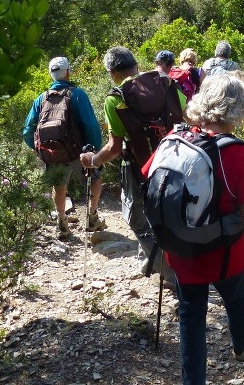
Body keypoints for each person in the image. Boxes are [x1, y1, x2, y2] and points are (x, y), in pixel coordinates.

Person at [141, 71, 244, 385]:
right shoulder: (237, 153)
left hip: (181, 250)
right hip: (224, 254)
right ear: (239, 109)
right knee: (237, 294)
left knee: (191, 316)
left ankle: (193, 381)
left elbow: (148, 178)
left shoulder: (172, 141)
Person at [80, 46, 183, 279]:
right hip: (178, 160)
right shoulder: (164, 82)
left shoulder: (116, 98)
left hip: (141, 168)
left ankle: (170, 274)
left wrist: (92, 160)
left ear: (110, 71)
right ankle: (161, 262)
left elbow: (114, 148)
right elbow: (187, 114)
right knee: (176, 214)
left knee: (138, 220)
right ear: (136, 65)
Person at [24, 56, 104, 240]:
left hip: (52, 152)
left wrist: (38, 149)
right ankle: (92, 217)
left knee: (59, 185)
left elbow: (28, 129)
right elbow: (90, 124)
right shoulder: (78, 94)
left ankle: (62, 223)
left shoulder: (41, 99)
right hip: (79, 151)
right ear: (68, 72)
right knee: (95, 178)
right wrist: (94, 149)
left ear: (51, 75)